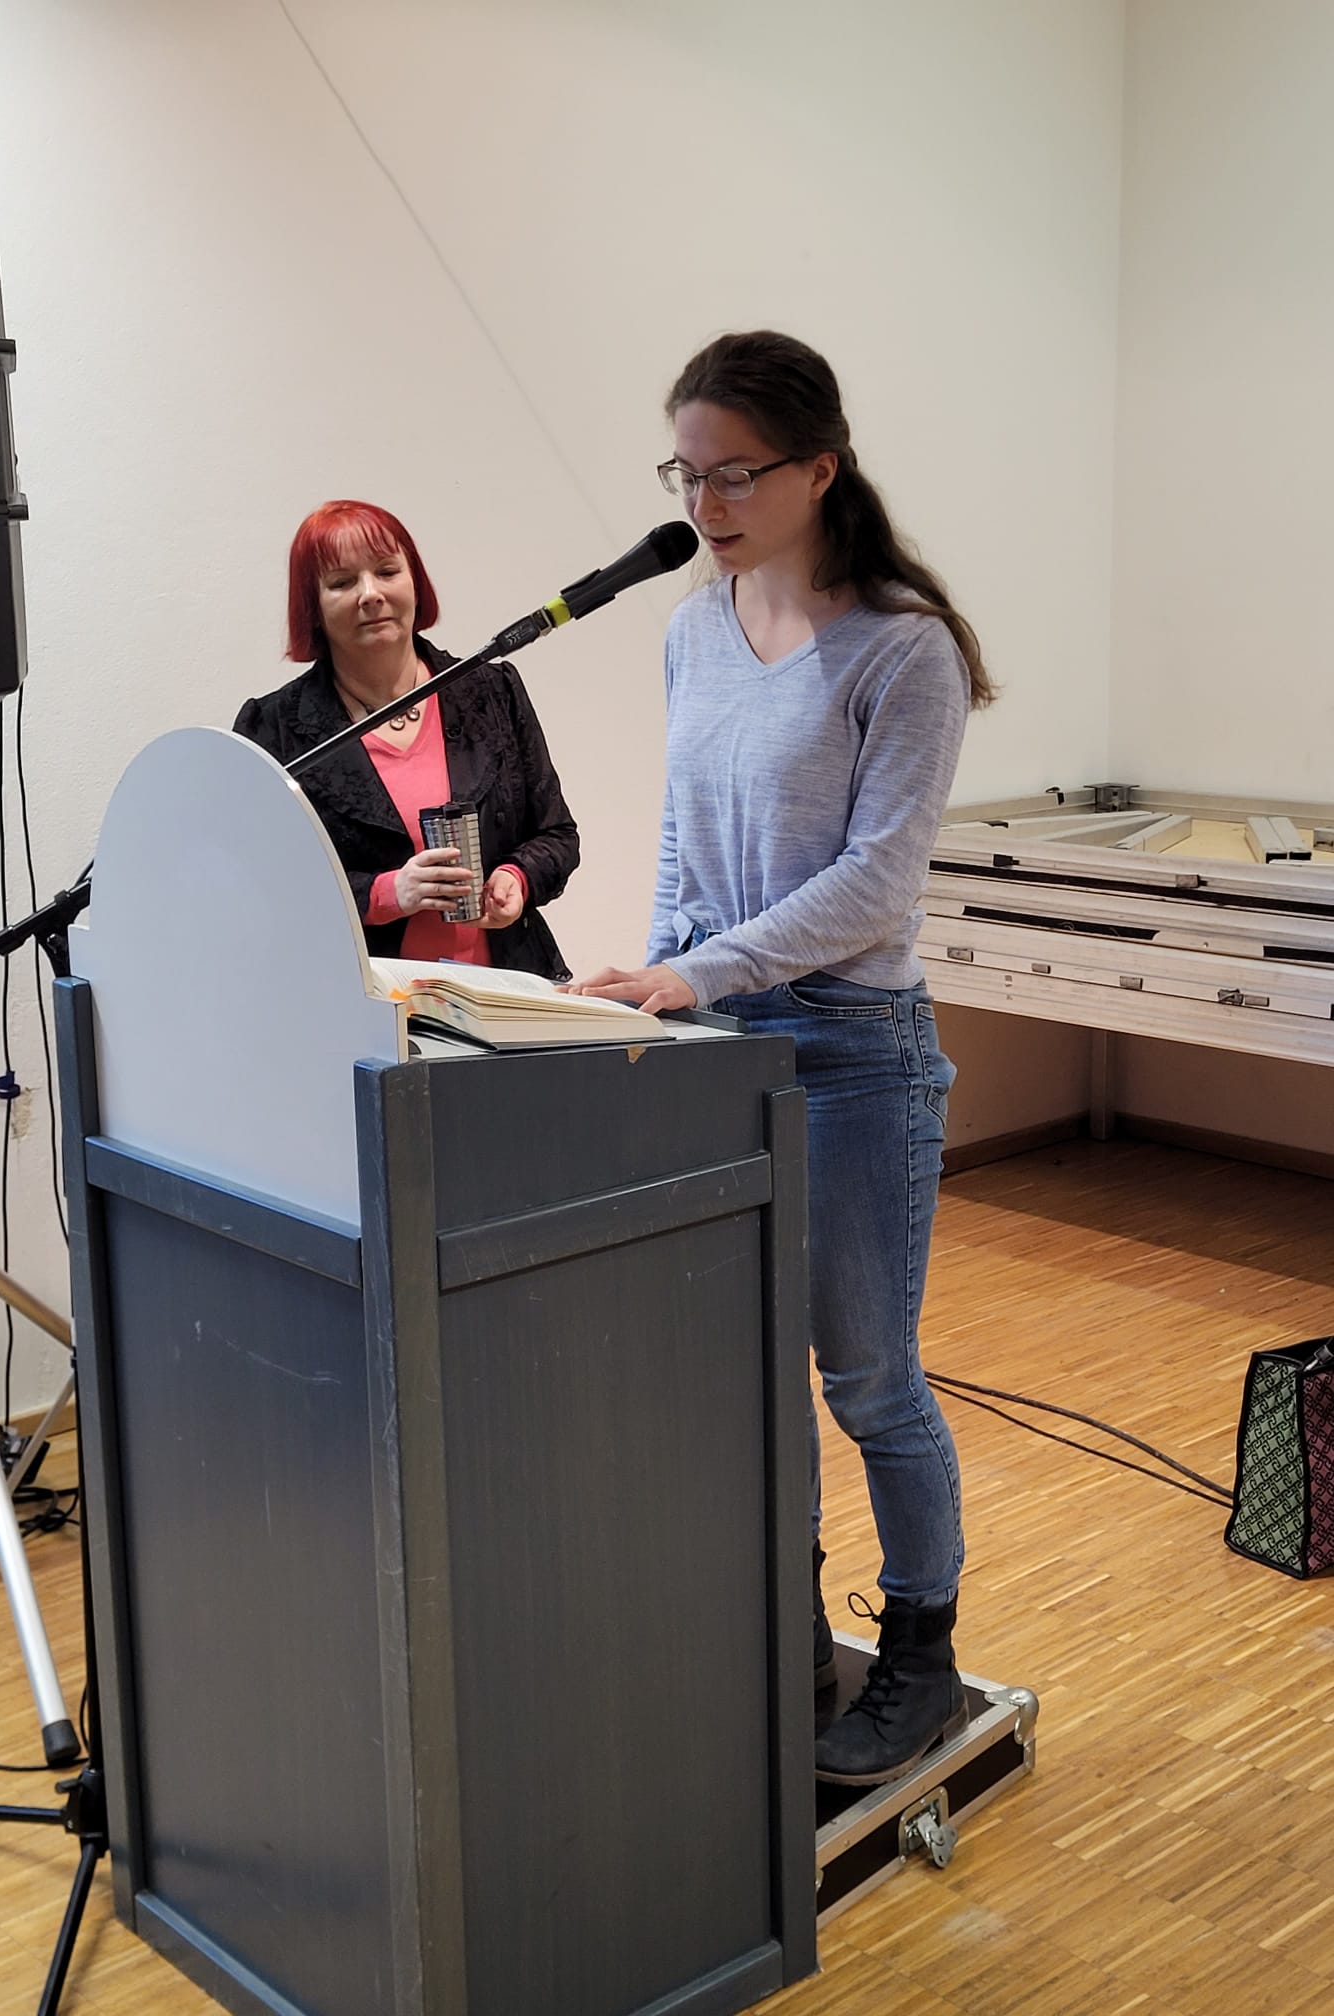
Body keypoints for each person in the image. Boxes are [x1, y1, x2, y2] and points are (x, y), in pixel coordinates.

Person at [571, 331, 996, 1785]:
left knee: (869, 1378)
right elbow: (686, 842)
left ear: (820, 469)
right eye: (686, 474)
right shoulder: (693, 628)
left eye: (736, 474)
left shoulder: (906, 647)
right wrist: (657, 995)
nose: (706, 504)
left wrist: (695, 972)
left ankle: (921, 1659)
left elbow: (877, 885)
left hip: (854, 1049)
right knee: (750, 1375)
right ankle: (791, 1634)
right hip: (719, 1039)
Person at [234, 500, 579, 980]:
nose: (371, 594)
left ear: (414, 581)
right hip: (360, 1000)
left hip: (503, 989)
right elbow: (259, 885)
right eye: (342, 582)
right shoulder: (273, 727)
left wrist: (516, 877)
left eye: (387, 571)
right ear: (312, 606)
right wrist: (385, 894)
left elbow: (557, 835)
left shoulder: (490, 691)